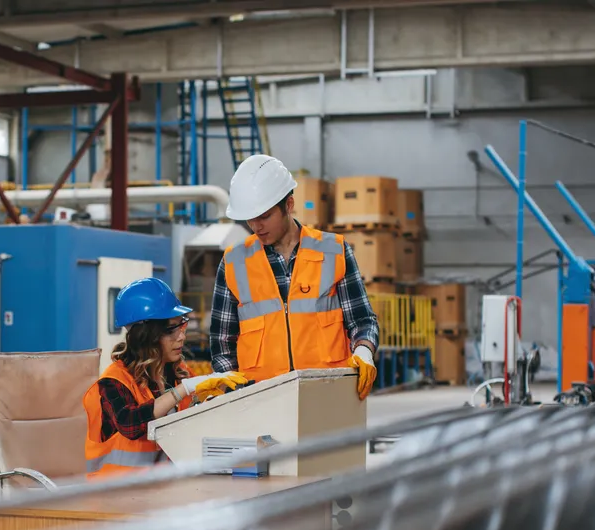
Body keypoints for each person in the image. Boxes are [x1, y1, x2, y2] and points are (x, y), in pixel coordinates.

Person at [210, 154, 379, 400]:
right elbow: (221, 344)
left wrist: (364, 351)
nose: (256, 226)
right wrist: (234, 394)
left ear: (288, 205)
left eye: (264, 216)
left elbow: (363, 321)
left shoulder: (334, 251)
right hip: (260, 399)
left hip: (328, 395)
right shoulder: (233, 262)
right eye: (250, 218)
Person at [83, 278, 248, 480]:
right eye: (171, 329)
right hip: (113, 495)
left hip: (163, 490)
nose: (181, 336)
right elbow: (130, 424)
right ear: (146, 336)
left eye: (181, 326)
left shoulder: (179, 374)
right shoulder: (113, 382)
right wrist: (182, 391)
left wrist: (210, 403)